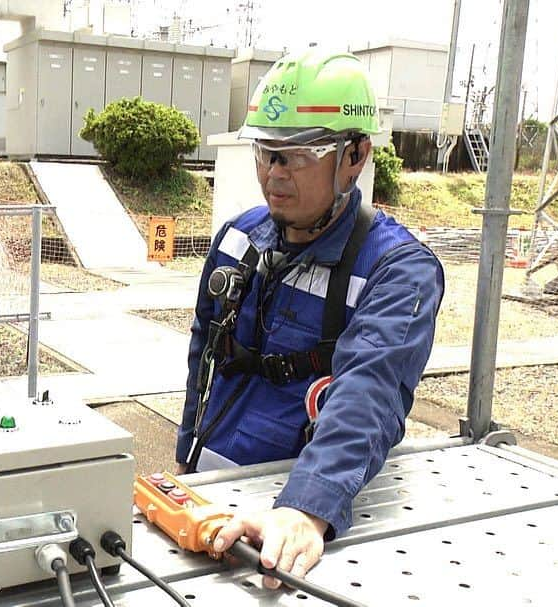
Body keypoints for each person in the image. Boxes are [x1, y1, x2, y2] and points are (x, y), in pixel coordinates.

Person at [175, 50, 444, 587]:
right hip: (206, 492)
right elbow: (204, 355)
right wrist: (186, 455)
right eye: (265, 152)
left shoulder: (397, 270)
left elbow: (372, 393)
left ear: (356, 155)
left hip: (287, 505)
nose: (274, 173)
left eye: (299, 154)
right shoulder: (238, 237)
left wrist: (305, 508)